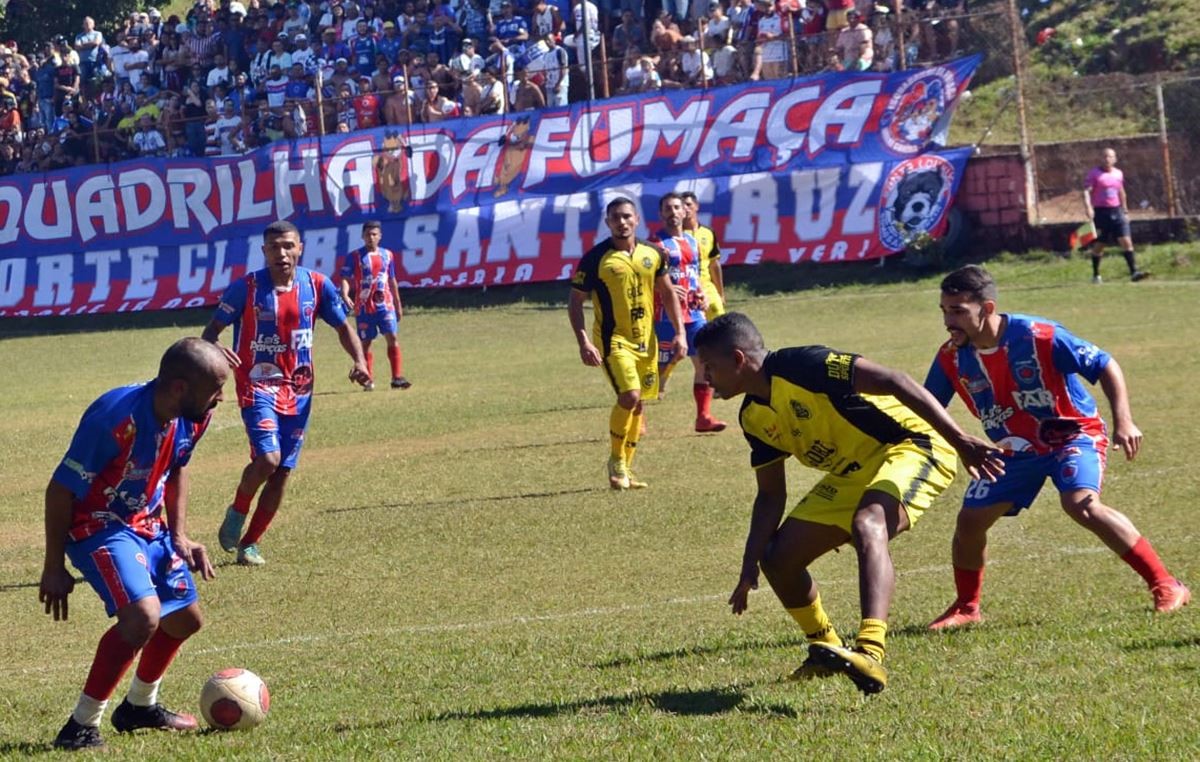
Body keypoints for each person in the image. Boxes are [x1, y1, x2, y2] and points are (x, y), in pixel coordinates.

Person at [694, 312, 1003, 694]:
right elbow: (771, 494)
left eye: (709, 366)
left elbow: (896, 381)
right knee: (778, 558)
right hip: (854, 473)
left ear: (739, 359)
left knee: (868, 522)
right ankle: (826, 648)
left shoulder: (804, 365)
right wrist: (749, 564)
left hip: (913, 446)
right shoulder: (754, 417)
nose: (703, 378)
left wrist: (959, 439)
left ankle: (871, 652)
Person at [925, 265, 1189, 629]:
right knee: (970, 522)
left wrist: (1124, 421)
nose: (948, 321)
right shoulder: (951, 356)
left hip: (1072, 435)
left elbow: (1104, 364)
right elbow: (928, 404)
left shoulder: (1038, 335)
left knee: (1082, 505)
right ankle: (967, 608)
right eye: (944, 311)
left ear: (986, 309)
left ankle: (1167, 584)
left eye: (957, 311)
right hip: (1013, 448)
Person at [41, 338, 229, 750]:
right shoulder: (114, 418)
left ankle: (140, 707)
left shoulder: (193, 416)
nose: (220, 398)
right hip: (97, 527)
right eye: (215, 388)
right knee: (143, 618)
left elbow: (178, 467)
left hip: (147, 521)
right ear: (179, 388)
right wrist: (54, 566)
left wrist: (178, 535)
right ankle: (79, 728)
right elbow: (59, 491)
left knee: (184, 620)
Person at [203, 220, 371, 566]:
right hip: (257, 385)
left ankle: (249, 544)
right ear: (264, 251)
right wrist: (219, 349)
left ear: (300, 248)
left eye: (288, 246)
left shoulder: (317, 285)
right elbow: (210, 333)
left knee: (283, 472)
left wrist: (360, 360)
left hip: (300, 390)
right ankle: (237, 510)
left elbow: (343, 326)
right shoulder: (247, 288)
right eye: (274, 247)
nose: (282, 253)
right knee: (268, 459)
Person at [569, 197, 687, 491]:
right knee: (630, 396)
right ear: (607, 223)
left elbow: (668, 292)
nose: (622, 222)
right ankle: (616, 460)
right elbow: (575, 302)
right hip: (613, 341)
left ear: (636, 220)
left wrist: (680, 332)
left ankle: (626, 470)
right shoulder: (596, 259)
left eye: (626, 217)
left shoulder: (653, 253)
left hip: (646, 340)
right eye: (615, 218)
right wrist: (584, 341)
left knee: (639, 405)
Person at [652, 193, 726, 432]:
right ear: (661, 214)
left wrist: (702, 294)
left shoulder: (693, 243)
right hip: (665, 315)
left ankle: (703, 417)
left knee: (704, 362)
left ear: (685, 212)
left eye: (677, 208)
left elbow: (694, 275)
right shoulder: (655, 244)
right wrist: (667, 287)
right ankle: (638, 414)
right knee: (660, 366)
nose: (673, 212)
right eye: (667, 208)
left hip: (694, 313)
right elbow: (645, 278)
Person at [339, 221, 412, 391]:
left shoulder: (388, 255)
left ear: (380, 236)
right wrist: (344, 293)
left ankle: (397, 378)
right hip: (364, 306)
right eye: (368, 234)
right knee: (366, 342)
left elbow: (392, 280)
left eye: (374, 234)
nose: (371, 237)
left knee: (392, 337)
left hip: (385, 304)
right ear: (362, 236)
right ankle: (368, 379)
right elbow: (345, 277)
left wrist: (397, 303)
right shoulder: (355, 256)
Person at [1083, 147, 1149, 284]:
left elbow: (1121, 192)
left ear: (1115, 159)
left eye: (1110, 157)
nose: (1107, 159)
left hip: (1117, 211)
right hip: (1101, 212)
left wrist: (1125, 210)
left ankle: (1134, 272)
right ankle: (1096, 274)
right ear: (1100, 159)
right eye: (1104, 156)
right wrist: (1088, 207)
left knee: (1126, 241)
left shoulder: (1118, 173)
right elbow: (1086, 191)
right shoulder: (1094, 174)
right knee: (1100, 245)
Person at [679, 191, 726, 321]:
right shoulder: (677, 235)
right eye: (681, 206)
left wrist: (720, 293)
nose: (685, 209)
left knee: (718, 314)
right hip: (688, 285)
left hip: (707, 284)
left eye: (688, 204)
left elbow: (714, 264)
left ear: (696, 206)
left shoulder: (708, 232)